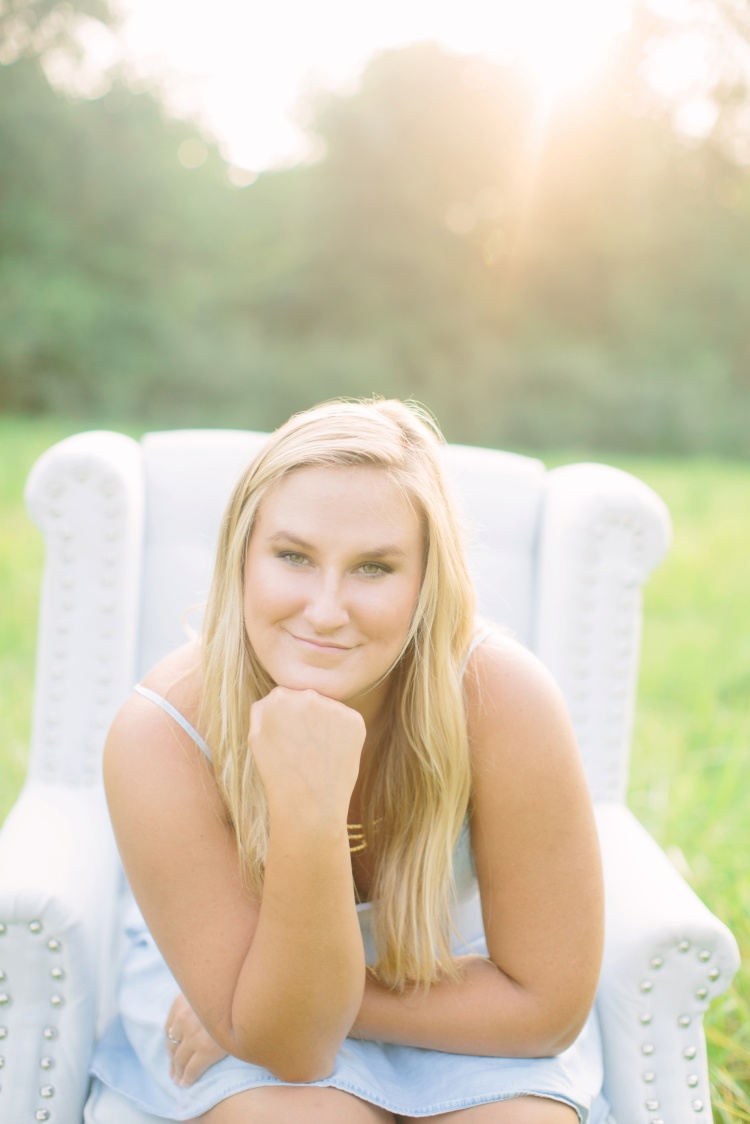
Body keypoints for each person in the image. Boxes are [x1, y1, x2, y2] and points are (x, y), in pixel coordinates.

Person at [90, 398, 612, 1123]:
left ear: (427, 581)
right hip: (224, 995)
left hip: (449, 989)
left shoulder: (501, 697)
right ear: (241, 555)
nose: (326, 610)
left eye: (373, 567)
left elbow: (546, 1006)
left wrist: (287, 1002)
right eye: (293, 556)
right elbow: (293, 1049)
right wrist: (309, 802)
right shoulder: (163, 732)